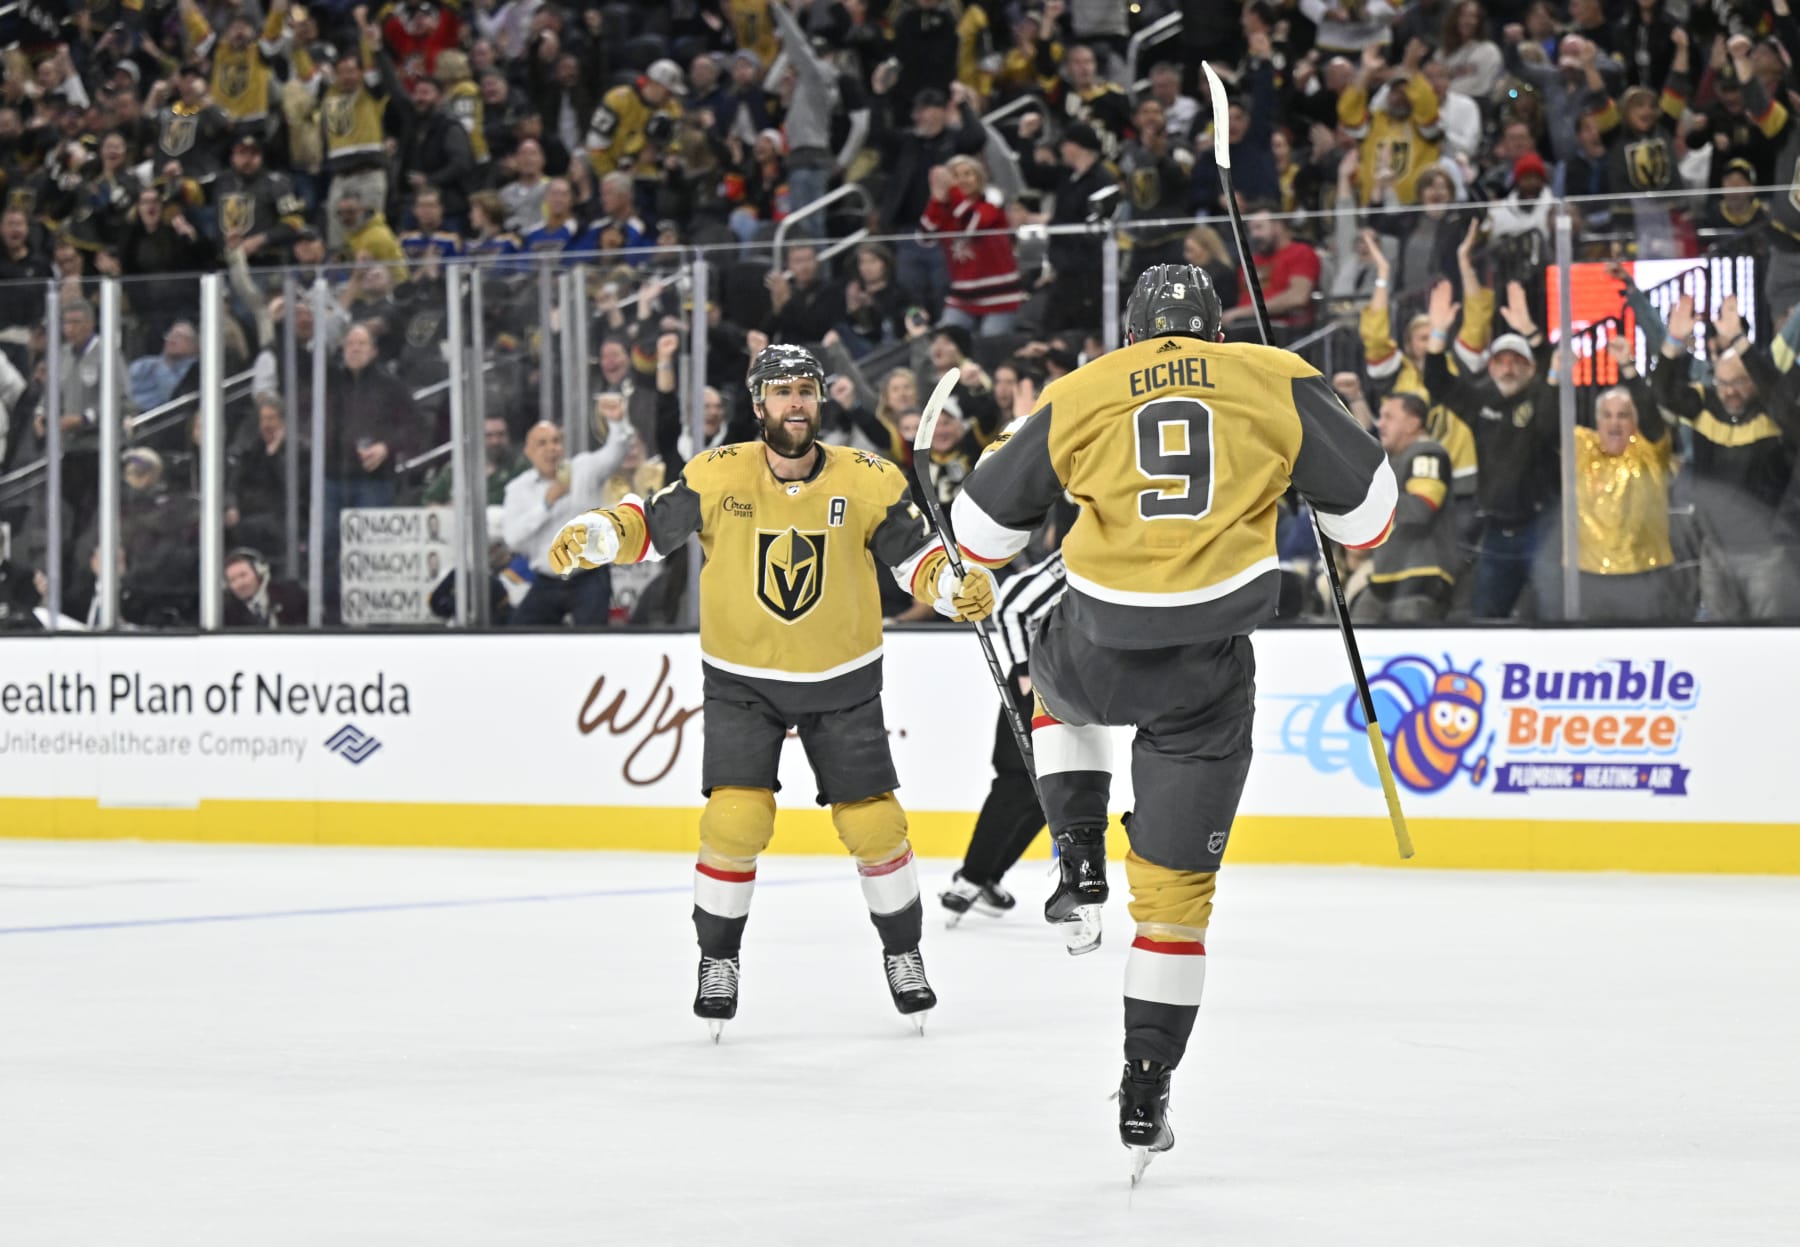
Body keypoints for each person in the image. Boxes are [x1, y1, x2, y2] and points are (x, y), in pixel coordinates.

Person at [951, 265, 1394, 1175]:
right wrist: (1302, 459)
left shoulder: (1083, 388)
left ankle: (1077, 851)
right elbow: (1372, 524)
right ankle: (1145, 1089)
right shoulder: (1275, 375)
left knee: (1051, 682)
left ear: (1135, 330)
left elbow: (979, 534)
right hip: (1207, 667)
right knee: (1177, 909)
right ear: (1216, 331)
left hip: (1101, 637)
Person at [545, 344, 998, 1039]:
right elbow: (648, 525)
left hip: (842, 678)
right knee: (734, 823)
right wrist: (597, 532)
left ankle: (904, 953)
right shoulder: (717, 474)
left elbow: (915, 557)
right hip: (742, 677)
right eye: (782, 392)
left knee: (876, 827)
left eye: (807, 391)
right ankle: (717, 960)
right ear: (757, 405)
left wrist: (950, 587)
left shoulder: (869, 478)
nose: (796, 404)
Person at [501, 414, 636, 626]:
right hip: (547, 580)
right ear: (529, 452)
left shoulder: (585, 469)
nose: (551, 448)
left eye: (556, 441)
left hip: (589, 577)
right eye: (542, 443)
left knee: (593, 641)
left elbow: (616, 451)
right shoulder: (518, 488)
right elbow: (512, 538)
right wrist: (546, 504)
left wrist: (617, 421)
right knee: (520, 636)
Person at [1352, 392, 1456, 623]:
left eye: (1389, 416)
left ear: (1412, 423)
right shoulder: (1391, 460)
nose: (1382, 423)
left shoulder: (1428, 453)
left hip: (1421, 574)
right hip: (1388, 575)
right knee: (1357, 626)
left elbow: (1421, 507)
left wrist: (1371, 502)